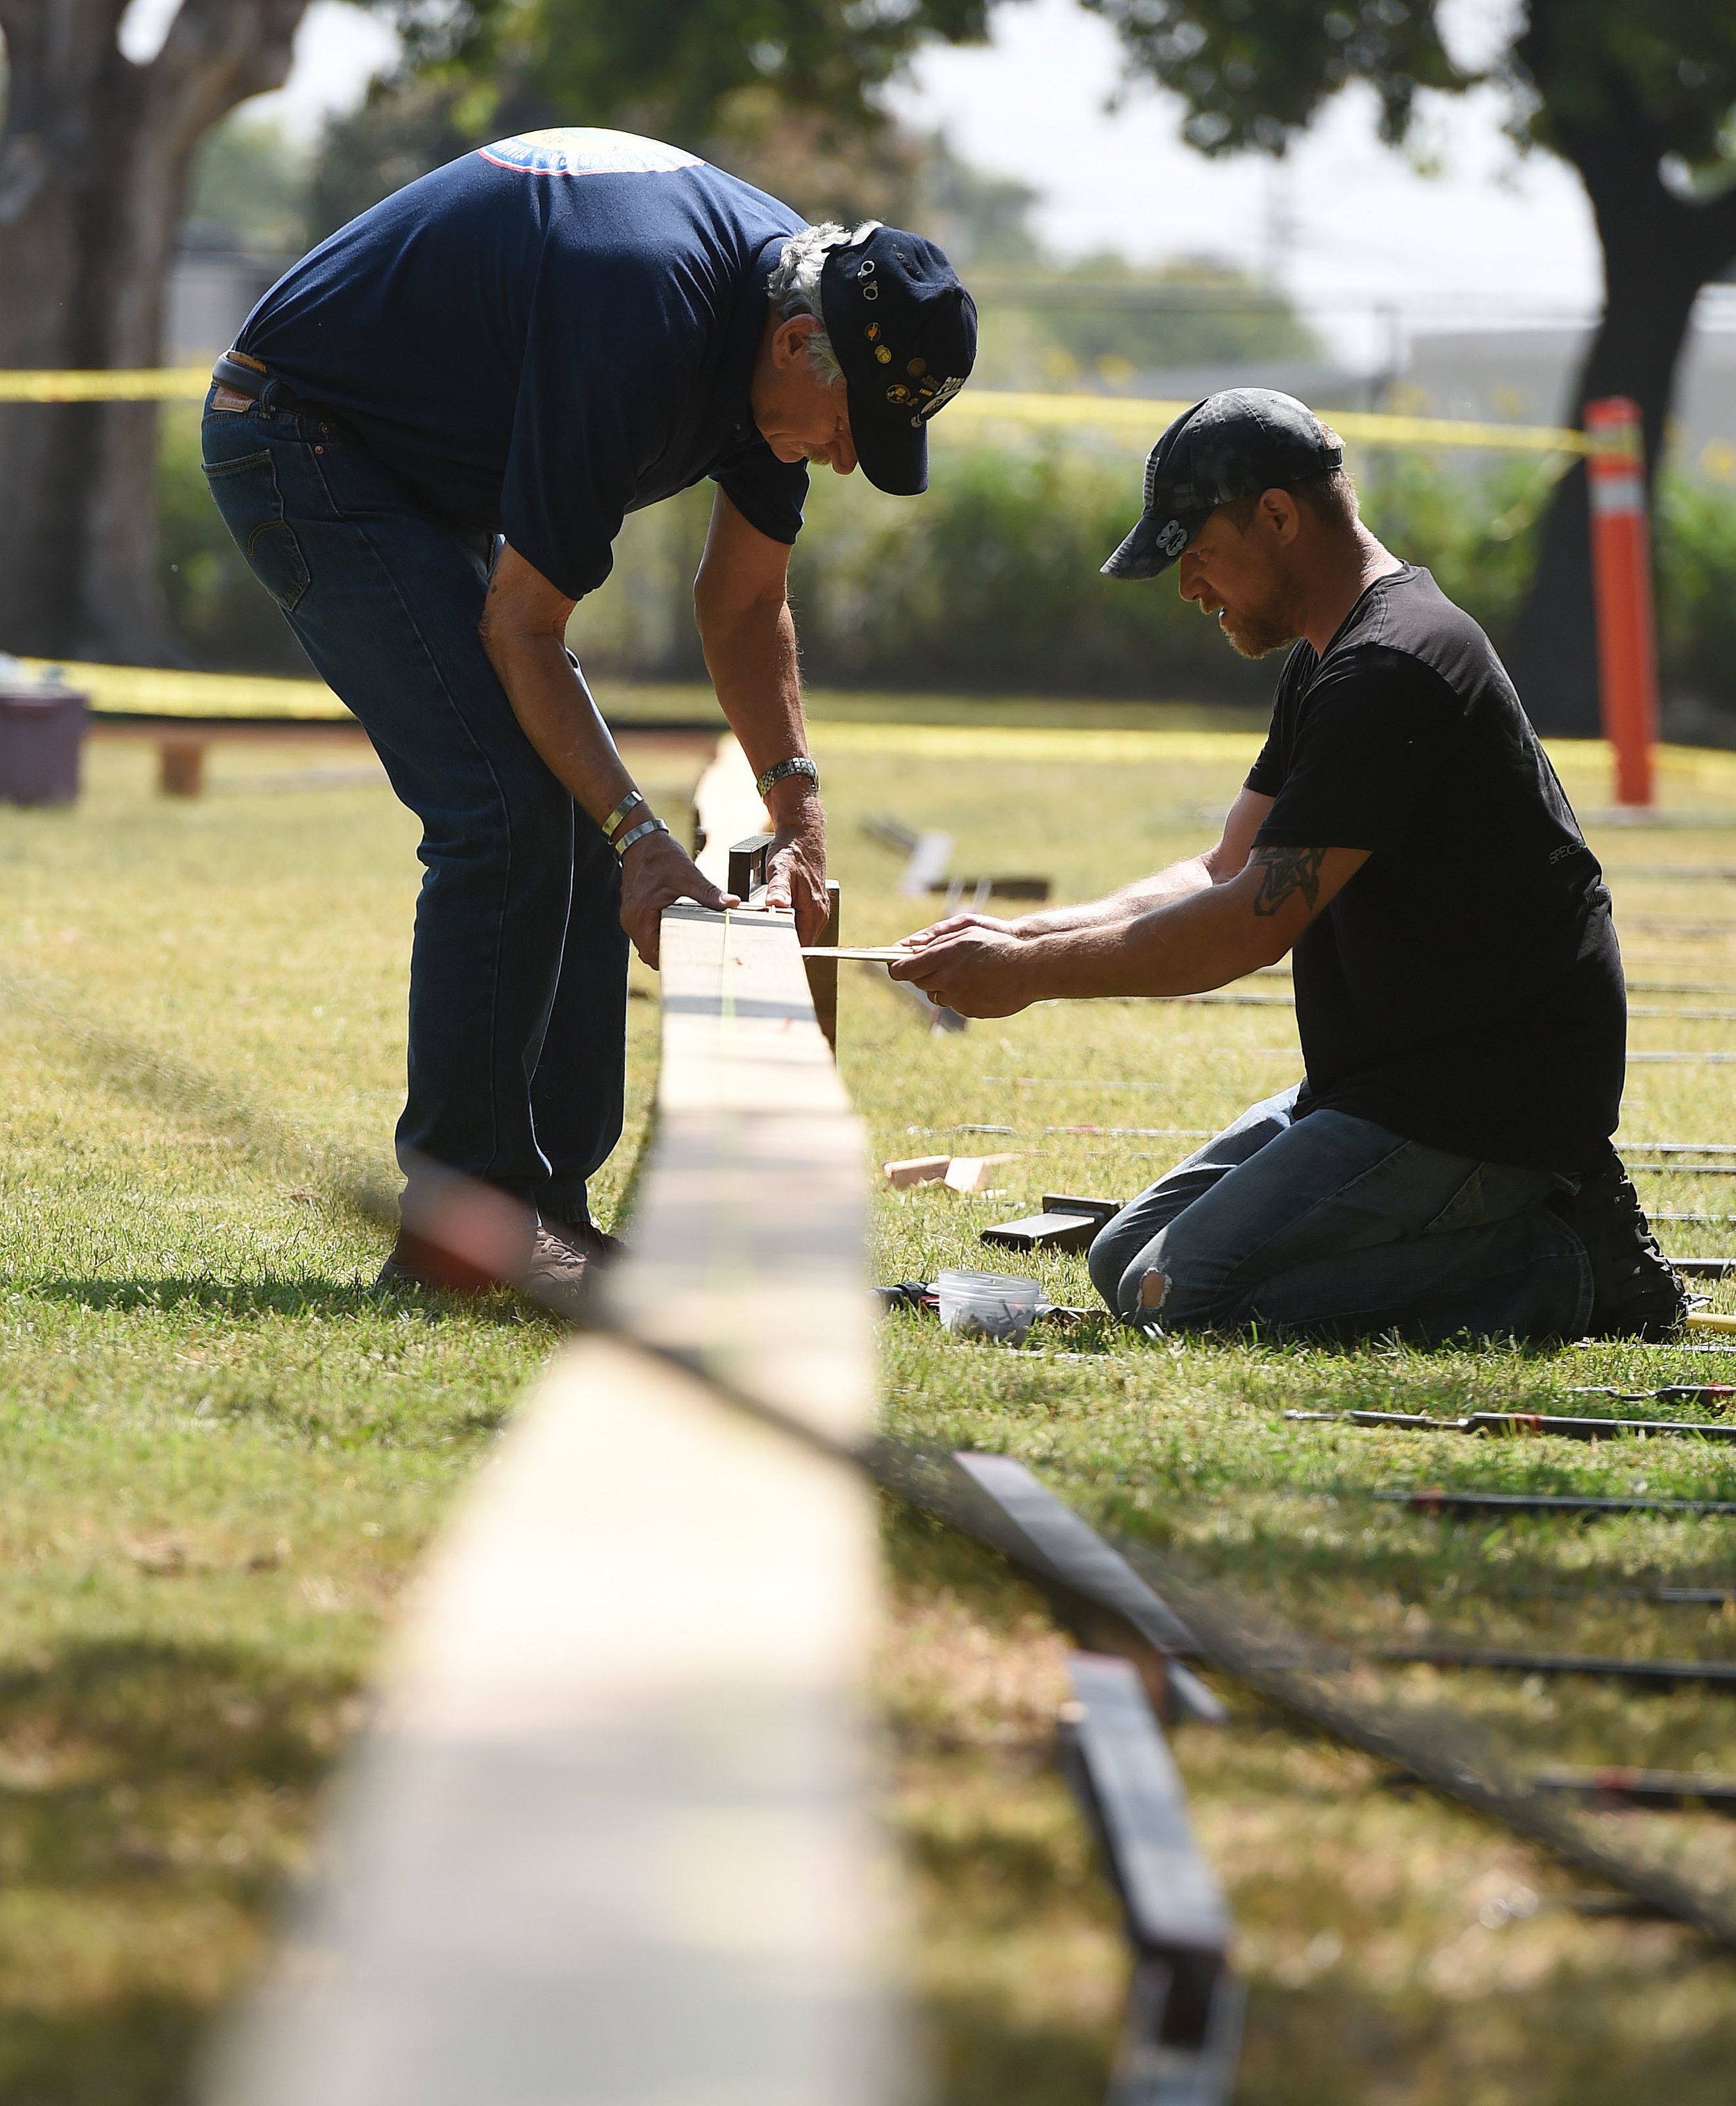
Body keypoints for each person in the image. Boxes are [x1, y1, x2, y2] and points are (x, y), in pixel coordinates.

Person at [201, 127, 976, 1296]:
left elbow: (744, 600)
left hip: (419, 464)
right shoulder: (645, 319)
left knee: (567, 805)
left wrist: (797, 810)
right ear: (799, 346)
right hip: (304, 436)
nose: (848, 464)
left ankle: (546, 1210)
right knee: (508, 806)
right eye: (851, 430)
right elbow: (525, 629)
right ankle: (461, 1232)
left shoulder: (782, 314)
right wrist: (641, 836)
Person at [892, 389, 1684, 1346]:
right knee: (1120, 1261)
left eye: (1198, 553)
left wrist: (1029, 976)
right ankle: (1514, 1241)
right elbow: (1227, 867)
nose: (1190, 589)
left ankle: (1565, 1266)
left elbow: (1246, 927)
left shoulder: (1394, 666)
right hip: (1388, 1085)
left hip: (1483, 1104)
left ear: (1277, 515)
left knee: (1176, 1298)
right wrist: (1020, 933)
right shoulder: (1329, 657)